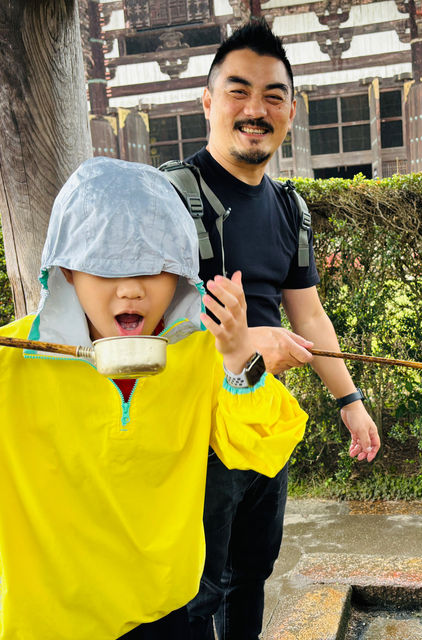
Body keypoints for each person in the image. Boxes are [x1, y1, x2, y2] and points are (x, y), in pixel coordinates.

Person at [0, 156, 307, 640]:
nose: (131, 290)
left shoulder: (199, 353)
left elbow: (263, 444)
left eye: (153, 267)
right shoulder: (11, 362)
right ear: (67, 272)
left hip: (168, 610)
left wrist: (238, 360)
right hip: (49, 620)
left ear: (182, 273)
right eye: (104, 267)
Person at [179, 19, 382, 640]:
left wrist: (349, 400)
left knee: (252, 571)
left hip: (262, 416)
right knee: (194, 585)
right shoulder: (172, 198)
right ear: (209, 101)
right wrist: (241, 344)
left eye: (272, 96)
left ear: (291, 111)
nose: (255, 110)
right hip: (192, 429)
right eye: (238, 91)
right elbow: (135, 320)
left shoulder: (290, 208)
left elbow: (308, 312)